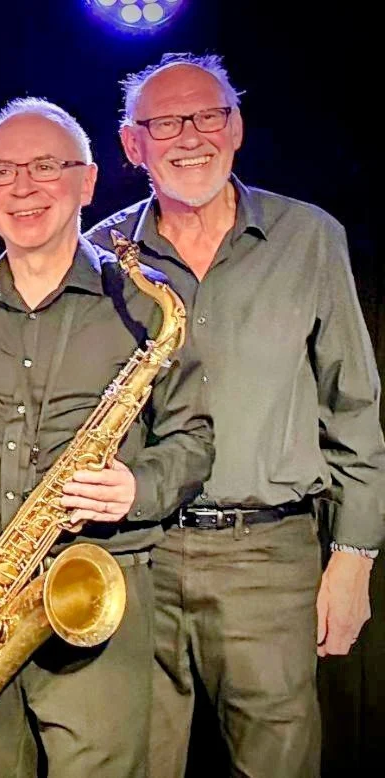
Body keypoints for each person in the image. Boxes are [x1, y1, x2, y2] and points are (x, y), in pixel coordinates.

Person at [87, 52, 385, 778]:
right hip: (137, 555)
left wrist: (354, 559)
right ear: (132, 145)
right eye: (166, 123)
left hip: (269, 558)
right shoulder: (99, 255)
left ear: (237, 127)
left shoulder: (309, 236)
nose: (191, 136)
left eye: (208, 116)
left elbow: (353, 406)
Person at [0, 98, 215, 778]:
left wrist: (136, 488)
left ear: (88, 182)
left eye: (45, 167)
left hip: (94, 584)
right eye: (3, 172)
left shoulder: (146, 301)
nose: (23, 187)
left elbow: (194, 439)